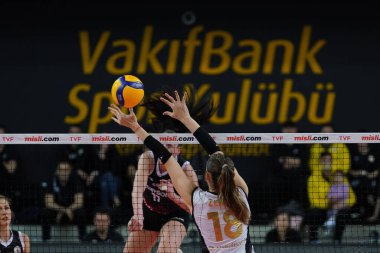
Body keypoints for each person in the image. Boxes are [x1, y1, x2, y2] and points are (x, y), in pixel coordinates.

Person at [109, 90, 253, 252]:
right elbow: (214, 151)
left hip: (174, 214)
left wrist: (135, 127)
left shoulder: (199, 202)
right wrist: (186, 118)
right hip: (151, 213)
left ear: (206, 177)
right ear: (231, 173)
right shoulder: (241, 195)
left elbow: (166, 157)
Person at [110, 91, 202, 253]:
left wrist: (173, 195)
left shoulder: (186, 170)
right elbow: (137, 190)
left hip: (175, 215)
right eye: (164, 146)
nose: (167, 150)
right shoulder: (148, 159)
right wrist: (138, 216)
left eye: (170, 146)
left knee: (165, 251)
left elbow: (194, 207)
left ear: (178, 149)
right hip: (149, 212)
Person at [41, 160, 87, 241]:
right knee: (45, 212)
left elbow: (79, 202)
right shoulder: (52, 181)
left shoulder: (76, 181)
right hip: (57, 212)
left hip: (72, 212)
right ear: (57, 172)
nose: (63, 172)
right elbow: (48, 203)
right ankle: (46, 240)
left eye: (66, 170)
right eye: (61, 170)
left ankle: (83, 239)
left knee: (81, 212)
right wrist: (63, 210)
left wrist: (68, 210)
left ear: (70, 171)